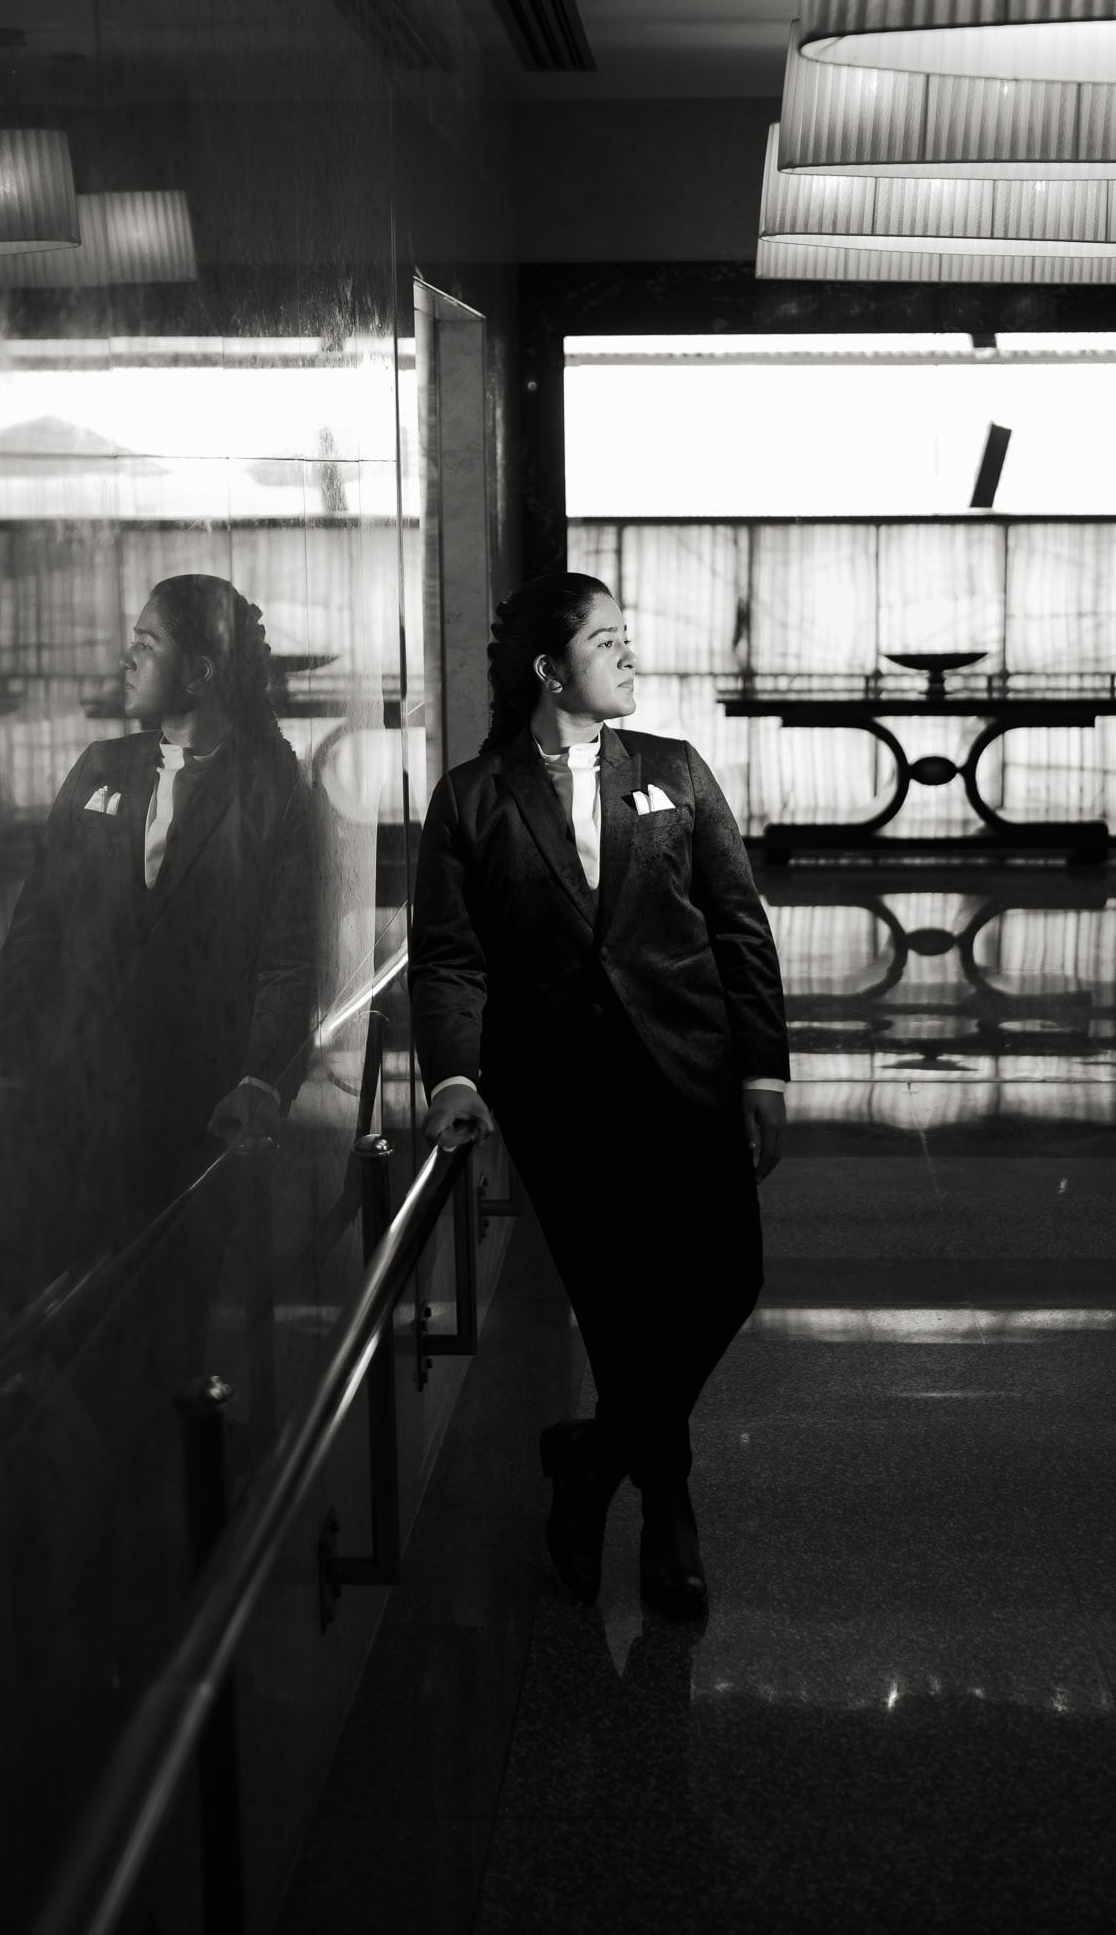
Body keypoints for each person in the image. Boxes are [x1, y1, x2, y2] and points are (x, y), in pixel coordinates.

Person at [409, 572, 789, 1620]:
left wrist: (763, 1070)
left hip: (693, 1076)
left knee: (728, 1276)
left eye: (628, 635)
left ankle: (591, 1459)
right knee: (621, 1312)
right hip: (560, 1098)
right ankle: (669, 1515)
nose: (629, 655)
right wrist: (455, 1075)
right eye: (607, 640)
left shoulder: (672, 771)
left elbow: (738, 928)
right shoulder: (473, 798)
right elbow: (448, 960)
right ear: (549, 668)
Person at [0, 573, 316, 1274]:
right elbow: (37, 928)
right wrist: (11, 1064)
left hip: (197, 1110)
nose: (126, 659)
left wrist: (260, 1080)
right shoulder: (101, 767)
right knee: (60, 1295)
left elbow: (287, 959)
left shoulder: (272, 789)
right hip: (76, 1097)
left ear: (198, 672)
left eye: (146, 642)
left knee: (169, 1311)